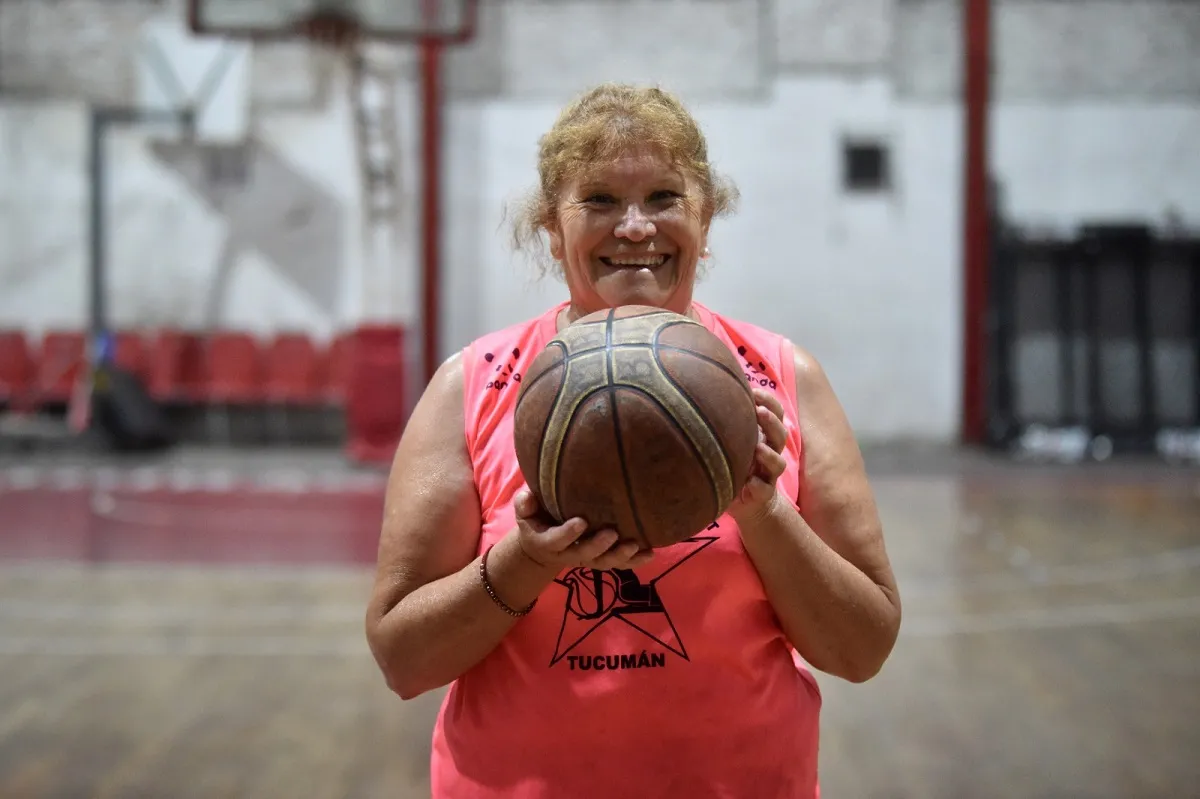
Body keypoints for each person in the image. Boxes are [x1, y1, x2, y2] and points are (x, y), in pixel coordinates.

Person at [364, 83, 902, 798]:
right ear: (552, 230)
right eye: (600, 201)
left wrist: (762, 508)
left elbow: (862, 647)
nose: (635, 226)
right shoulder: (473, 386)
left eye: (663, 197)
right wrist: (524, 560)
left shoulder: (781, 377)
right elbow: (403, 659)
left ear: (705, 221)